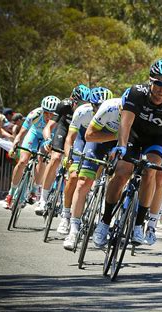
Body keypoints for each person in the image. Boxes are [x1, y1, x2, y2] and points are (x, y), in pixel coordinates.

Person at [92, 59, 162, 247]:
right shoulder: (137, 93)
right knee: (122, 171)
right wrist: (122, 146)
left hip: (157, 141)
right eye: (158, 82)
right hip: (133, 136)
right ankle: (105, 221)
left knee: (151, 171)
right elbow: (125, 124)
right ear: (150, 81)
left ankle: (139, 225)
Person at [63, 94, 121, 250]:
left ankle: (113, 221)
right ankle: (73, 230)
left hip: (120, 144)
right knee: (82, 181)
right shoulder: (105, 109)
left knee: (122, 178)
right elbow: (88, 136)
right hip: (97, 141)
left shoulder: (135, 114)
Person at [56, 87, 112, 237]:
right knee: (74, 176)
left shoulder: (114, 113)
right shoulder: (82, 111)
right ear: (91, 104)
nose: (100, 109)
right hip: (83, 138)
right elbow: (70, 138)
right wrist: (68, 157)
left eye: (103, 106)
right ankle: (66, 215)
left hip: (105, 140)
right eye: (96, 106)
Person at [35, 84, 91, 215]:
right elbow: (48, 127)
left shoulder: (88, 110)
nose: (82, 106)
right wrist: (48, 140)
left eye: (85, 103)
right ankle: (43, 199)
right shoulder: (64, 105)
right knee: (55, 158)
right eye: (79, 103)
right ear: (73, 99)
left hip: (77, 135)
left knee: (76, 169)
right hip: (63, 129)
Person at [4, 96, 60, 209]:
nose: (49, 116)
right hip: (33, 134)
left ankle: (34, 190)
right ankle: (11, 193)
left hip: (48, 138)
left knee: (41, 159)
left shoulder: (59, 119)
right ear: (42, 110)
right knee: (22, 161)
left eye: (51, 114)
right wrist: (15, 145)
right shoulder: (35, 114)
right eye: (46, 113)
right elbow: (21, 133)